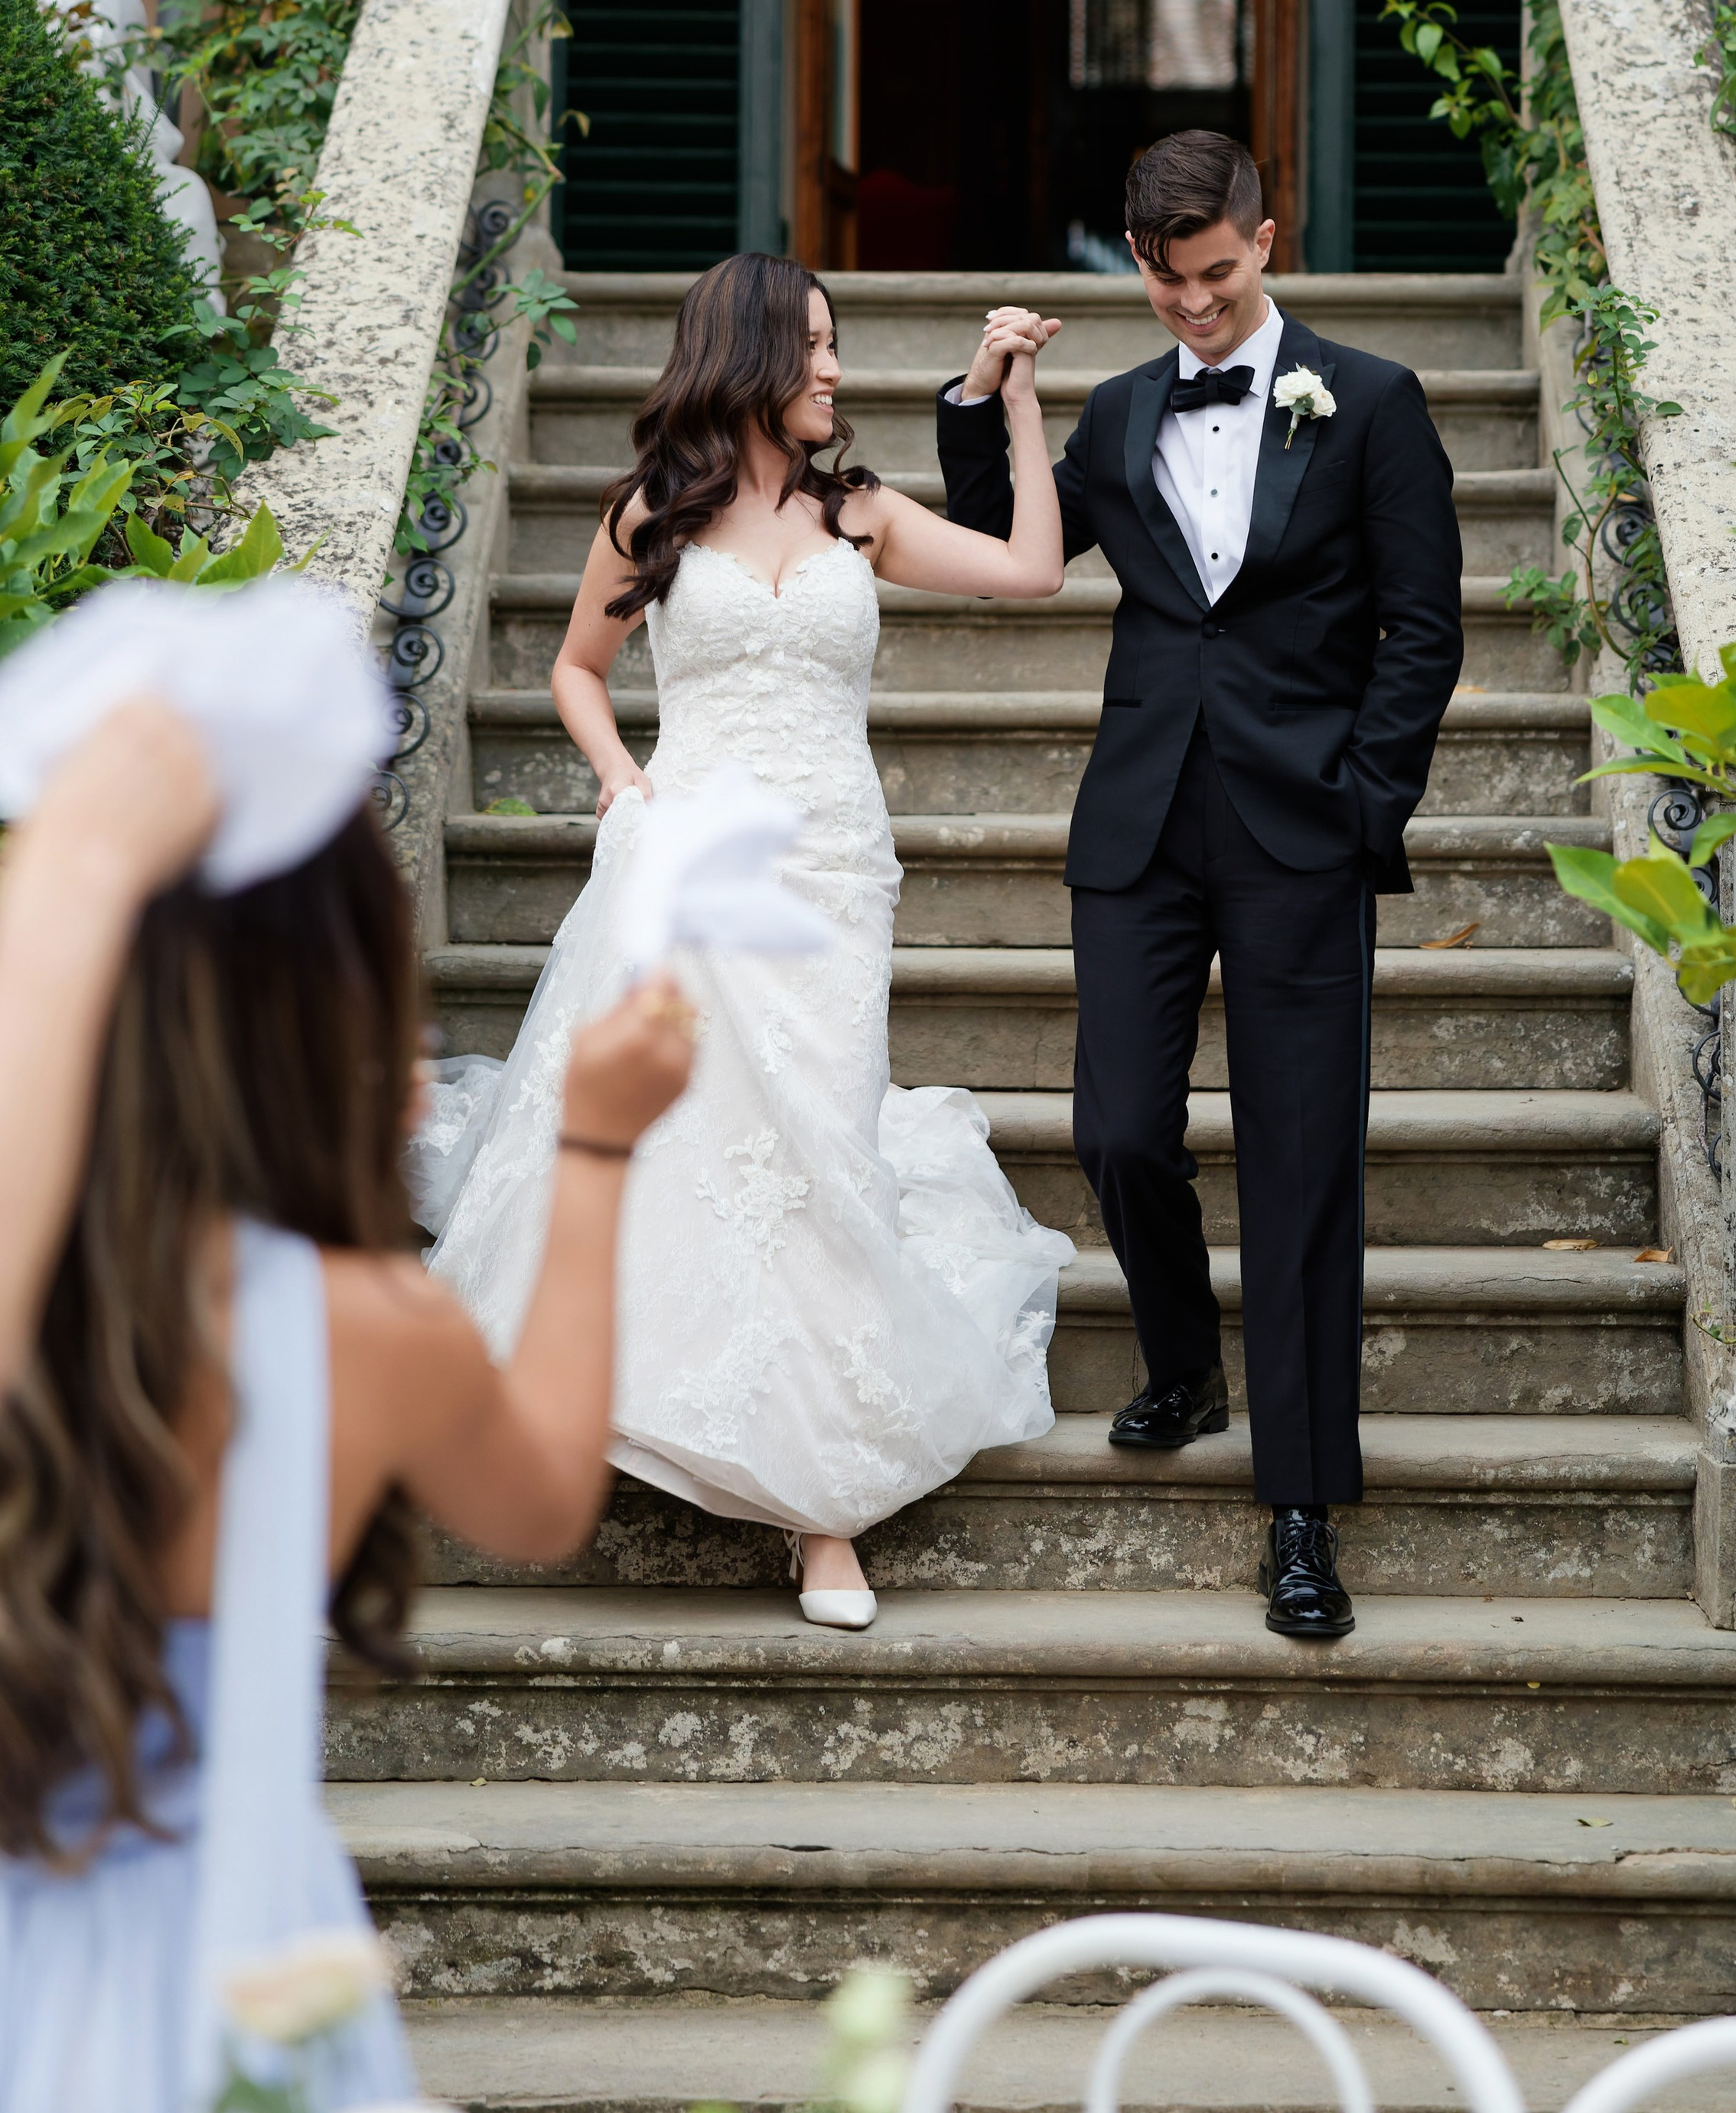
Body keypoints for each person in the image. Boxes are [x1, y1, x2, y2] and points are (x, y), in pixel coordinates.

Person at [0, 581, 695, 2111]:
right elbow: (538, 1501)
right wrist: (590, 1149)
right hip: (246, 1989)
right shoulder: (348, 1326)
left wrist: (73, 882)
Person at [428, 250, 1074, 1630]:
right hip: (697, 855)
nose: (836, 371)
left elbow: (1030, 572)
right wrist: (621, 780)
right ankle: (737, 1459)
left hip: (834, 869)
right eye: (818, 348)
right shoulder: (651, 510)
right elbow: (574, 671)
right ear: (749, 356)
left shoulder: (862, 514)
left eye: (837, 349)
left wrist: (1016, 397)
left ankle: (824, 1495)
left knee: (824, 1152)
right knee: (699, 1142)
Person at [938, 130, 1464, 1642]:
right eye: (1165, 284)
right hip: (1142, 823)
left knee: (1300, 1169)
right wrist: (986, 401)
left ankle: (1298, 1505)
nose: (1192, 307)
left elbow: (1418, 629)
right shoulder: (1111, 414)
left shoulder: (1367, 402)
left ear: (1264, 240)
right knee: (1114, 1127)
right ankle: (1180, 1357)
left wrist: (1370, 800)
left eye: (1216, 276)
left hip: (1304, 828)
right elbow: (1001, 543)